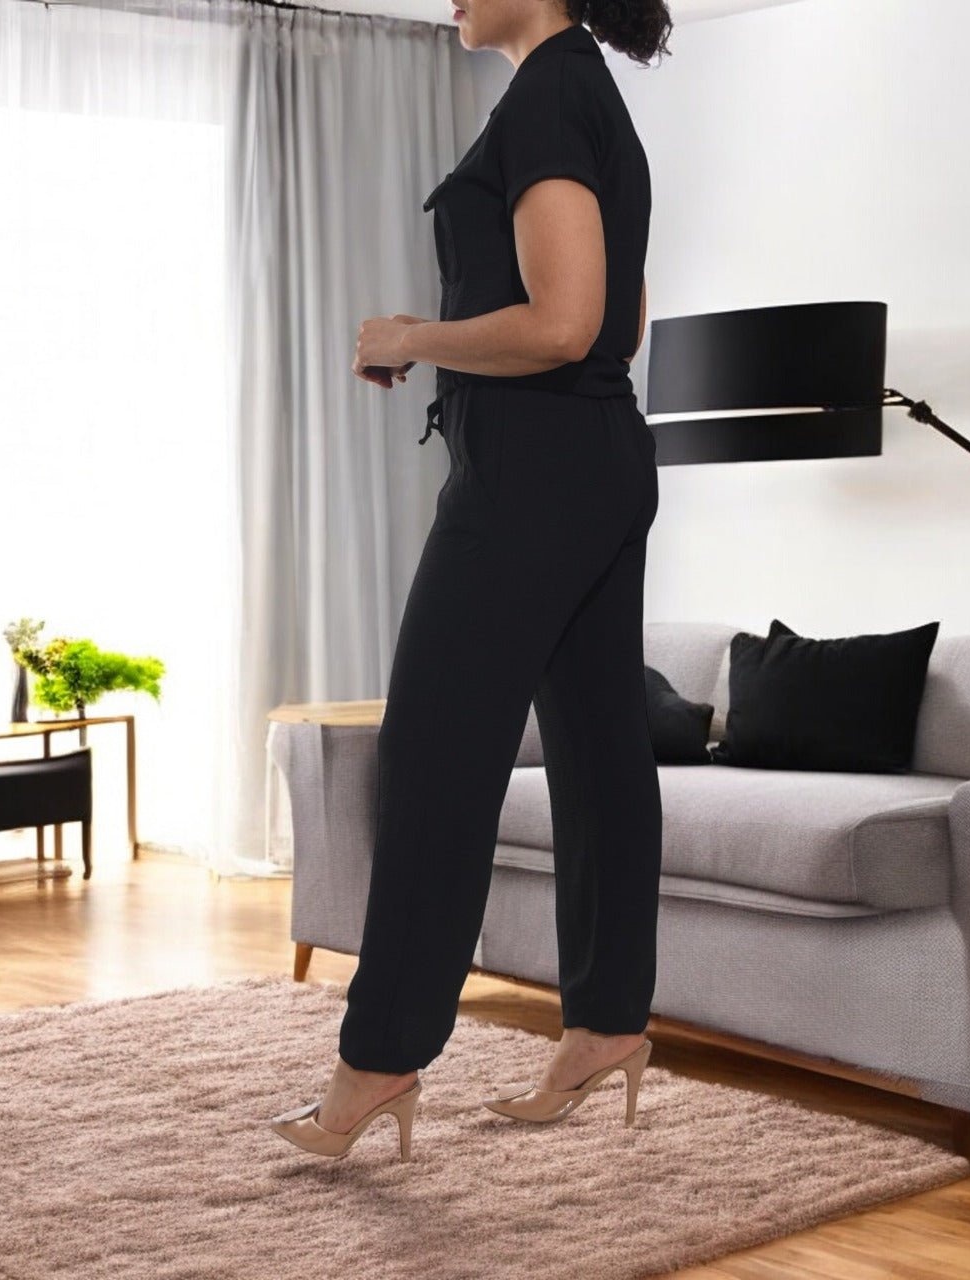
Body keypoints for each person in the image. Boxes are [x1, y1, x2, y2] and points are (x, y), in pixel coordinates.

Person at [271, 0, 673, 1160]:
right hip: (598, 458)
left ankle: (379, 1057)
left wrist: (413, 335)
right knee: (598, 744)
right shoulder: (585, 93)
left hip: (533, 475)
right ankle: (605, 1020)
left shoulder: (547, 96)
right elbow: (624, 317)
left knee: (432, 750)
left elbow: (567, 321)